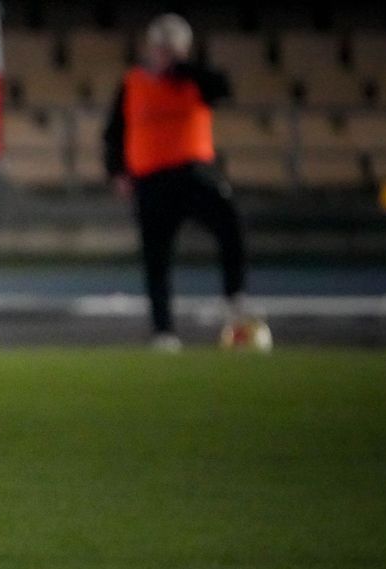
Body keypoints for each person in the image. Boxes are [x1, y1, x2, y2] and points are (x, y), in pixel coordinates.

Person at [102, 13, 264, 351]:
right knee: (155, 256)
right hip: (150, 179)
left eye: (170, 48)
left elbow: (223, 88)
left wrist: (182, 70)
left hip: (192, 173)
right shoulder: (133, 81)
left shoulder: (194, 80)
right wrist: (117, 171)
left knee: (229, 223)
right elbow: (114, 132)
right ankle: (164, 332)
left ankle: (234, 297)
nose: (163, 54)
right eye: (160, 47)